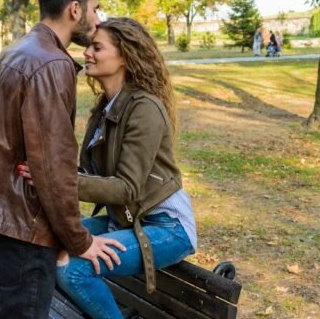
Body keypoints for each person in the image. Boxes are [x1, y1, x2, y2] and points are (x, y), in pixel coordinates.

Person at [0, 0, 125, 319]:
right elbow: (52, 167)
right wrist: (79, 240)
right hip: (19, 230)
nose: (97, 18)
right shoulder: (51, 64)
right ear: (74, 9)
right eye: (94, 8)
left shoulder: (15, 52)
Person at [20, 17, 196, 319]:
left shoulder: (145, 108)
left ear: (124, 57)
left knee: (73, 270)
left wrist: (57, 180)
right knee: (44, 241)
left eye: (97, 47)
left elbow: (127, 188)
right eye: (89, 46)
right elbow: (87, 174)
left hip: (166, 226)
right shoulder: (105, 108)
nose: (87, 52)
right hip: (125, 221)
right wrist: (44, 168)